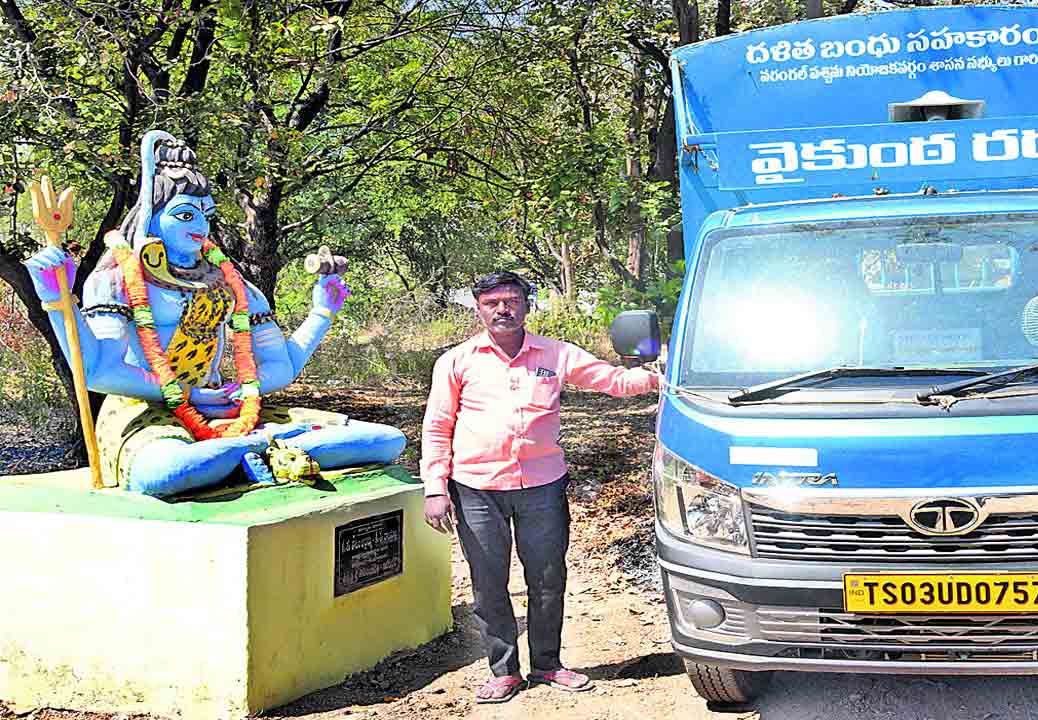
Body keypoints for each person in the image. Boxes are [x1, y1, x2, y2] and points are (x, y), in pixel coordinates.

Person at [22, 130, 405, 495]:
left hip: (228, 409)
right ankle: (263, 450)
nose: (201, 226)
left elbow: (281, 365)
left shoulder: (231, 283)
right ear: (152, 218)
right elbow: (98, 371)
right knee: (169, 471)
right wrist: (59, 303)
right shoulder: (116, 281)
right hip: (146, 410)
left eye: (205, 214)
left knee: (386, 440)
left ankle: (248, 448)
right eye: (186, 215)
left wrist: (320, 313)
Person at [420, 271, 659, 704]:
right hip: (476, 489)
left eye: (511, 300)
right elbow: (437, 427)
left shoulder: (556, 353)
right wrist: (435, 486)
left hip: (542, 487)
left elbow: (614, 381)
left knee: (548, 578)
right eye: (492, 302)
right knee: (489, 583)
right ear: (478, 309)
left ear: (527, 305)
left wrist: (660, 371)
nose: (503, 309)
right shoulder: (457, 361)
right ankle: (504, 671)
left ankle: (547, 665)